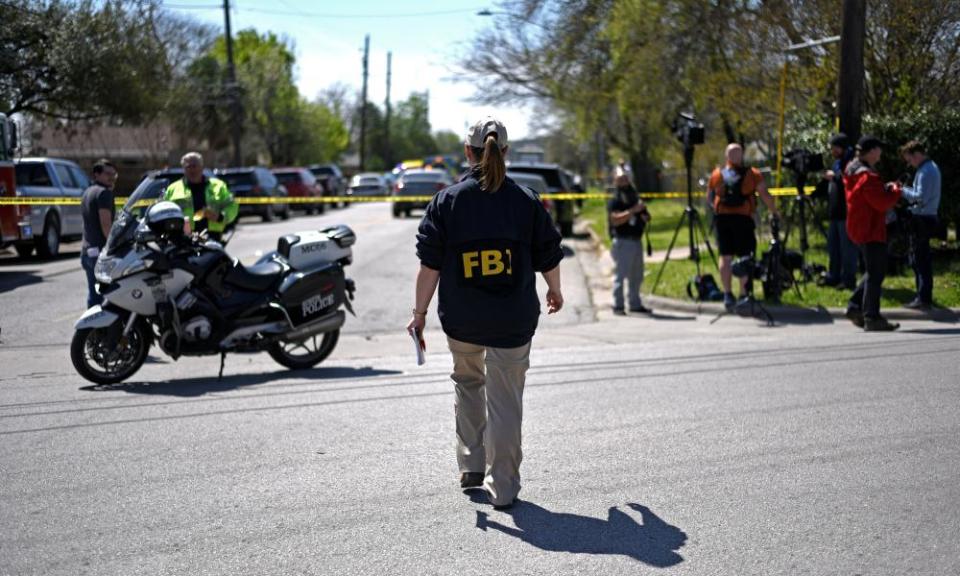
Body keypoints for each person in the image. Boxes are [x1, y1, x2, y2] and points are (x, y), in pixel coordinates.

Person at [407, 117, 564, 510]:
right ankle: (504, 487)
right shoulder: (526, 201)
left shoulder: (447, 202)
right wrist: (555, 289)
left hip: (463, 320)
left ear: (467, 152)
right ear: (505, 152)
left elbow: (430, 265)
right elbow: (549, 252)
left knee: (468, 383)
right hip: (512, 321)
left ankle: (471, 465)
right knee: (505, 400)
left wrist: (420, 313)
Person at [707, 143, 780, 310]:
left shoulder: (716, 174)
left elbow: (710, 199)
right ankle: (743, 294)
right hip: (743, 219)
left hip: (722, 219)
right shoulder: (752, 174)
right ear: (741, 156)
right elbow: (764, 194)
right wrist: (774, 211)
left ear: (726, 157)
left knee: (725, 256)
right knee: (745, 257)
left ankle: (727, 294)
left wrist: (719, 210)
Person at [844, 135, 902, 331]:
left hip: (859, 226)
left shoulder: (852, 170)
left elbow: (870, 197)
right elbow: (882, 203)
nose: (881, 152)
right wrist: (895, 190)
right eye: (879, 149)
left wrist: (884, 190)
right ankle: (872, 317)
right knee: (876, 274)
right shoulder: (867, 176)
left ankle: (855, 307)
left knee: (873, 271)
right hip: (871, 228)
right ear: (871, 152)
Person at [899, 140, 941, 309]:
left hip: (923, 219)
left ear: (917, 155)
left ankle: (923, 298)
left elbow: (920, 197)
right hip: (925, 217)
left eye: (910, 160)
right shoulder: (928, 168)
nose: (910, 164)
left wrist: (901, 190)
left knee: (920, 259)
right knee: (918, 258)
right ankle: (922, 297)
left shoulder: (925, 171)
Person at [163, 152, 237, 242]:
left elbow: (232, 206)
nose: (192, 170)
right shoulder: (173, 189)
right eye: (188, 167)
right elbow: (164, 210)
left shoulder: (218, 186)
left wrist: (220, 217)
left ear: (202, 167)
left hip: (212, 236)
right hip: (183, 238)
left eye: (194, 166)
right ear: (183, 169)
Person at [608, 166, 651, 315]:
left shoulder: (634, 196)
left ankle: (635, 304)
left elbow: (643, 214)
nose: (624, 181)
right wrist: (633, 211)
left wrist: (644, 215)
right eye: (621, 179)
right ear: (615, 180)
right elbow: (615, 220)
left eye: (626, 178)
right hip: (623, 241)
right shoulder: (615, 199)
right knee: (621, 275)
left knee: (637, 275)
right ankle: (618, 305)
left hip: (636, 240)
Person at [79, 159, 118, 308]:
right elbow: (106, 225)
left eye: (114, 175)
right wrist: (113, 247)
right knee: (106, 300)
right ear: (96, 174)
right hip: (100, 255)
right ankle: (102, 331)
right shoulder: (104, 193)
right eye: (108, 174)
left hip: (87, 253)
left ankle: (92, 331)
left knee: (94, 297)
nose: (111, 177)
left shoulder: (87, 192)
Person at [822, 133, 858, 289]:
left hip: (846, 213)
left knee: (847, 248)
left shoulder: (852, 162)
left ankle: (848, 279)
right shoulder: (837, 163)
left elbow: (848, 180)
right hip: (835, 212)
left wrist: (834, 177)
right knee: (833, 247)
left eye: (835, 147)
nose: (832, 151)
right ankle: (833, 275)